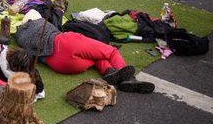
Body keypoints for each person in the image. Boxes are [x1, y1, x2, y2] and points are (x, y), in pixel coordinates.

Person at [16, 17, 154, 93]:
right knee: (110, 51)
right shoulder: (39, 21)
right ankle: (129, 79)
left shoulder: (20, 37)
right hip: (66, 43)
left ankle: (109, 71)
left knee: (94, 58)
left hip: (60, 65)